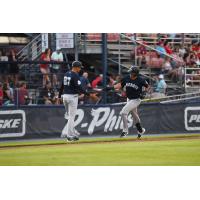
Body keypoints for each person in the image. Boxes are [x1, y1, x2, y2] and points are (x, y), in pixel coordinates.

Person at [108, 66, 149, 139]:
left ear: (135, 73)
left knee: (123, 112)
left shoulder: (141, 80)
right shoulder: (127, 78)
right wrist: (110, 88)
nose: (130, 73)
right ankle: (141, 130)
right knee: (134, 115)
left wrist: (144, 93)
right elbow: (120, 85)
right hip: (129, 99)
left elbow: (147, 86)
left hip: (136, 99)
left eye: (132, 72)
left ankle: (125, 131)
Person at [59, 61, 90, 141]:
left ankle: (71, 133)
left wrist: (59, 96)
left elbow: (62, 85)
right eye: (79, 67)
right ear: (75, 67)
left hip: (65, 97)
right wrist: (87, 94)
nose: (80, 69)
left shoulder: (66, 73)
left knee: (69, 116)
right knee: (71, 117)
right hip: (72, 97)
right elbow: (79, 88)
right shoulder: (75, 75)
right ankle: (69, 136)